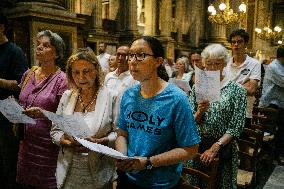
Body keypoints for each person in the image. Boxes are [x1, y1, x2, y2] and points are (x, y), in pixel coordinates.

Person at [115, 36, 200, 189]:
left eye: (141, 55)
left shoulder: (177, 99)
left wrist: (148, 162)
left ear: (158, 61)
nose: (132, 61)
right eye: (131, 56)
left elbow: (190, 149)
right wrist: (123, 157)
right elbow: (122, 133)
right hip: (128, 178)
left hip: (161, 182)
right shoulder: (128, 95)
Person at [50, 47, 117, 189]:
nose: (81, 77)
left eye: (86, 71)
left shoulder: (111, 97)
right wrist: (66, 142)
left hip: (99, 171)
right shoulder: (67, 96)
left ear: (96, 70)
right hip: (68, 171)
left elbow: (119, 133)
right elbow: (55, 131)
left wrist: (102, 141)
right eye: (76, 72)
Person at [186, 44, 247, 189]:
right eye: (208, 64)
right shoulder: (198, 86)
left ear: (224, 64)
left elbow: (236, 126)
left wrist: (215, 147)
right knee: (195, 183)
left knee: (220, 184)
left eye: (217, 63)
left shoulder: (237, 90)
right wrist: (199, 112)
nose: (212, 68)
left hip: (222, 148)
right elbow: (189, 122)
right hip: (197, 146)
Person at [16, 30, 68, 189]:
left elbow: (67, 120)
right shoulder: (29, 73)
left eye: (45, 46)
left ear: (56, 53)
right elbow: (22, 100)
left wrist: (44, 114)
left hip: (48, 149)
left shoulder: (62, 80)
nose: (39, 48)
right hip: (25, 145)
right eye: (38, 44)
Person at [0, 13, 29, 189]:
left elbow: (22, 85)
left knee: (7, 161)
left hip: (7, 115)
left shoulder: (14, 52)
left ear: (2, 27)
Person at [225, 29, 261, 128]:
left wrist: (227, 84)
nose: (236, 44)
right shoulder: (225, 63)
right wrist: (242, 85)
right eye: (233, 42)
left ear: (245, 44)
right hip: (224, 111)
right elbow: (217, 87)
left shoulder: (254, 64)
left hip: (243, 113)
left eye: (239, 41)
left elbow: (251, 90)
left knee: (242, 143)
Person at [259, 46, 284, 165]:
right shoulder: (274, 67)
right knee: (269, 131)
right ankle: (266, 157)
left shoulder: (281, 66)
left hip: (280, 104)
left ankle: (277, 154)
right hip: (271, 104)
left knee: (281, 131)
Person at [104, 45, 137, 125]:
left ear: (130, 57)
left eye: (124, 55)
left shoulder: (134, 78)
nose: (120, 57)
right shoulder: (109, 76)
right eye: (118, 54)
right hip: (106, 122)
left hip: (123, 124)